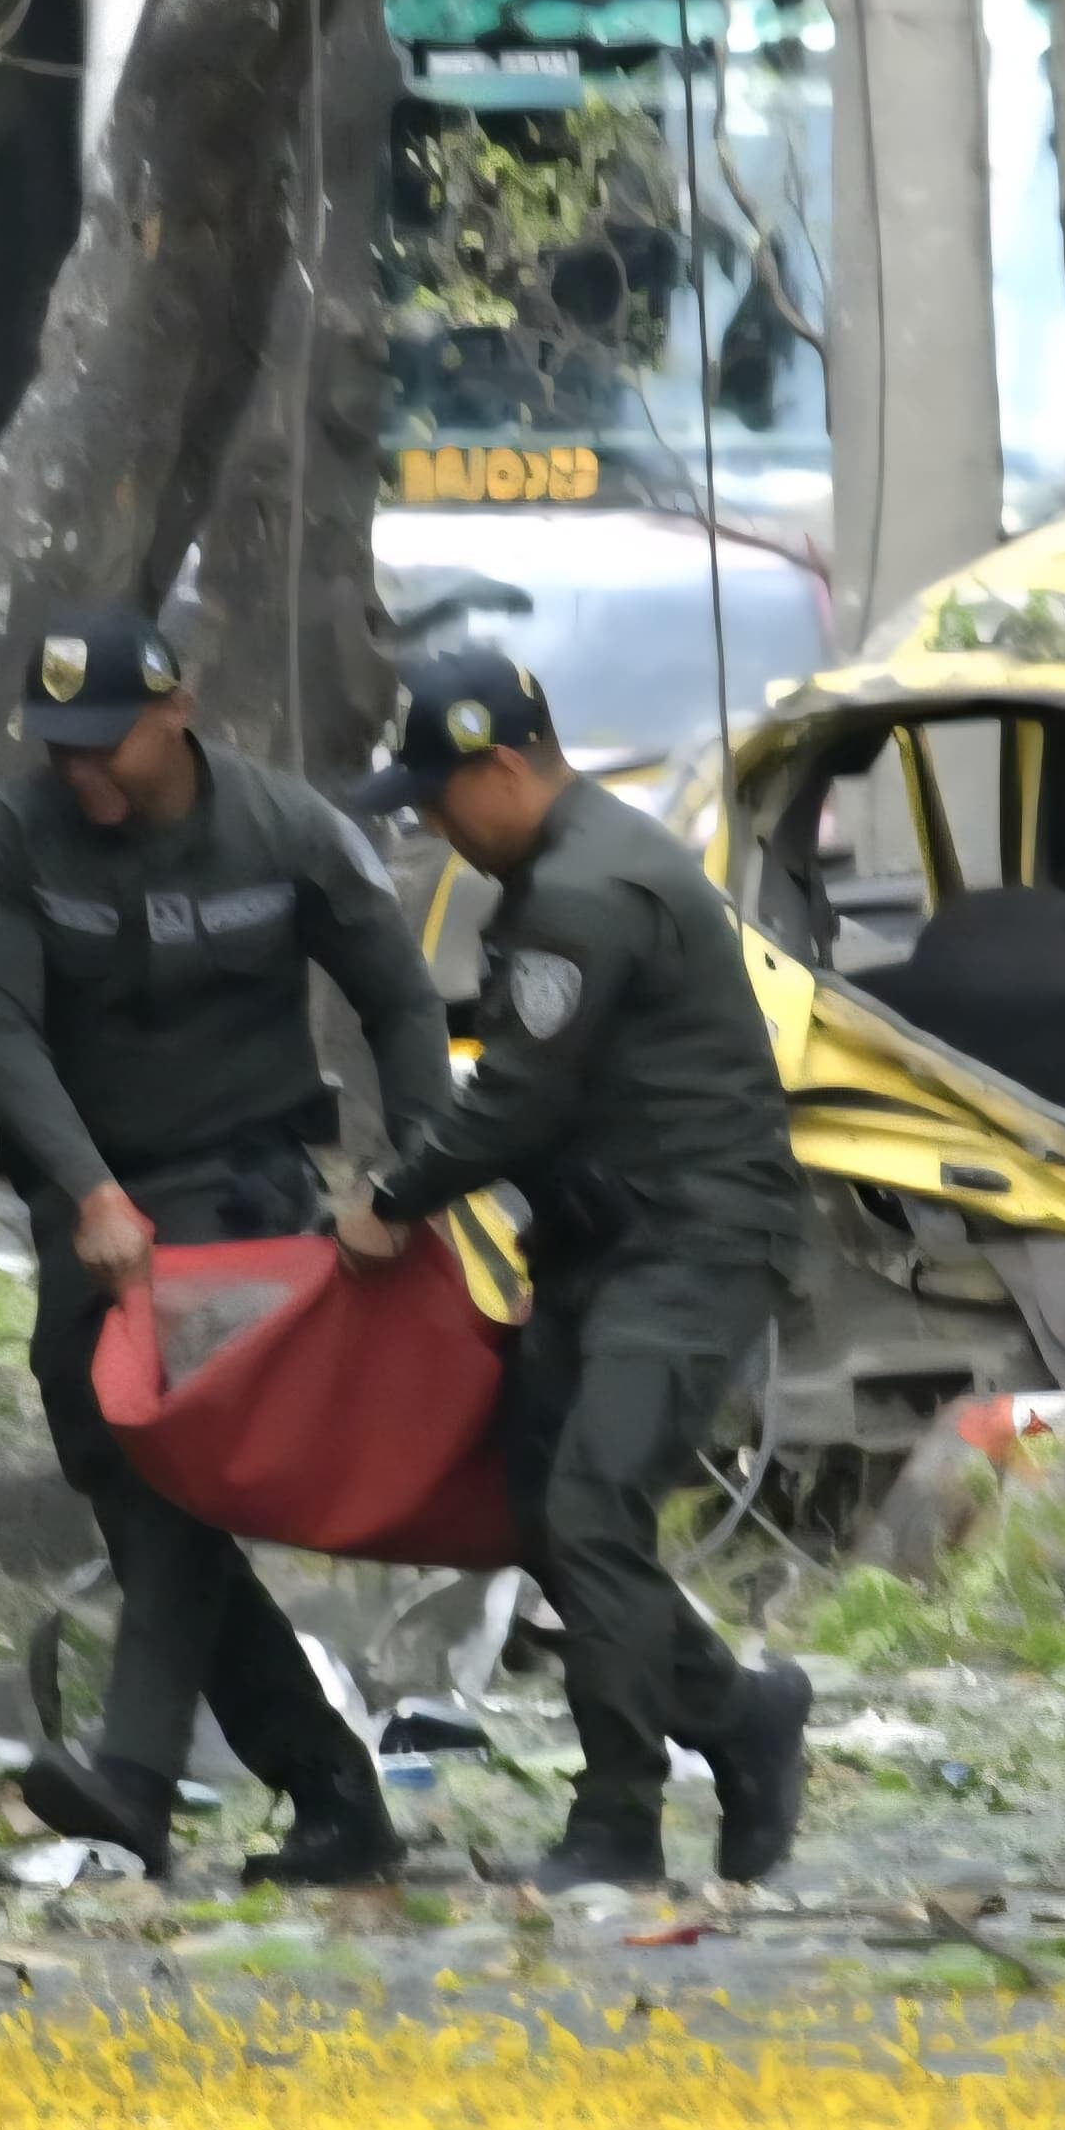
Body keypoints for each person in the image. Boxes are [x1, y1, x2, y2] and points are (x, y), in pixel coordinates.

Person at [0, 603, 452, 1884]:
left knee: (164, 1468)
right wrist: (92, 1190)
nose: (81, 768)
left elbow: (398, 999)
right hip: (91, 1202)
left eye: (106, 742)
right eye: (59, 746)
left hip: (241, 1198)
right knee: (122, 1477)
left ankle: (138, 1783)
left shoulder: (285, 830)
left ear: (177, 711)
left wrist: (420, 1177)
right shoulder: (2, 841)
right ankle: (332, 1787)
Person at [332, 648, 813, 1890]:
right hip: (607, 1243)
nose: (435, 824)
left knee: (594, 1509)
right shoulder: (563, 865)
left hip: (690, 1244)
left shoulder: (586, 890)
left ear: (504, 768)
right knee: (545, 1509)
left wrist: (392, 1198)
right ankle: (737, 1716)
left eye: (441, 798)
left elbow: (519, 1097)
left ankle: (617, 1826)